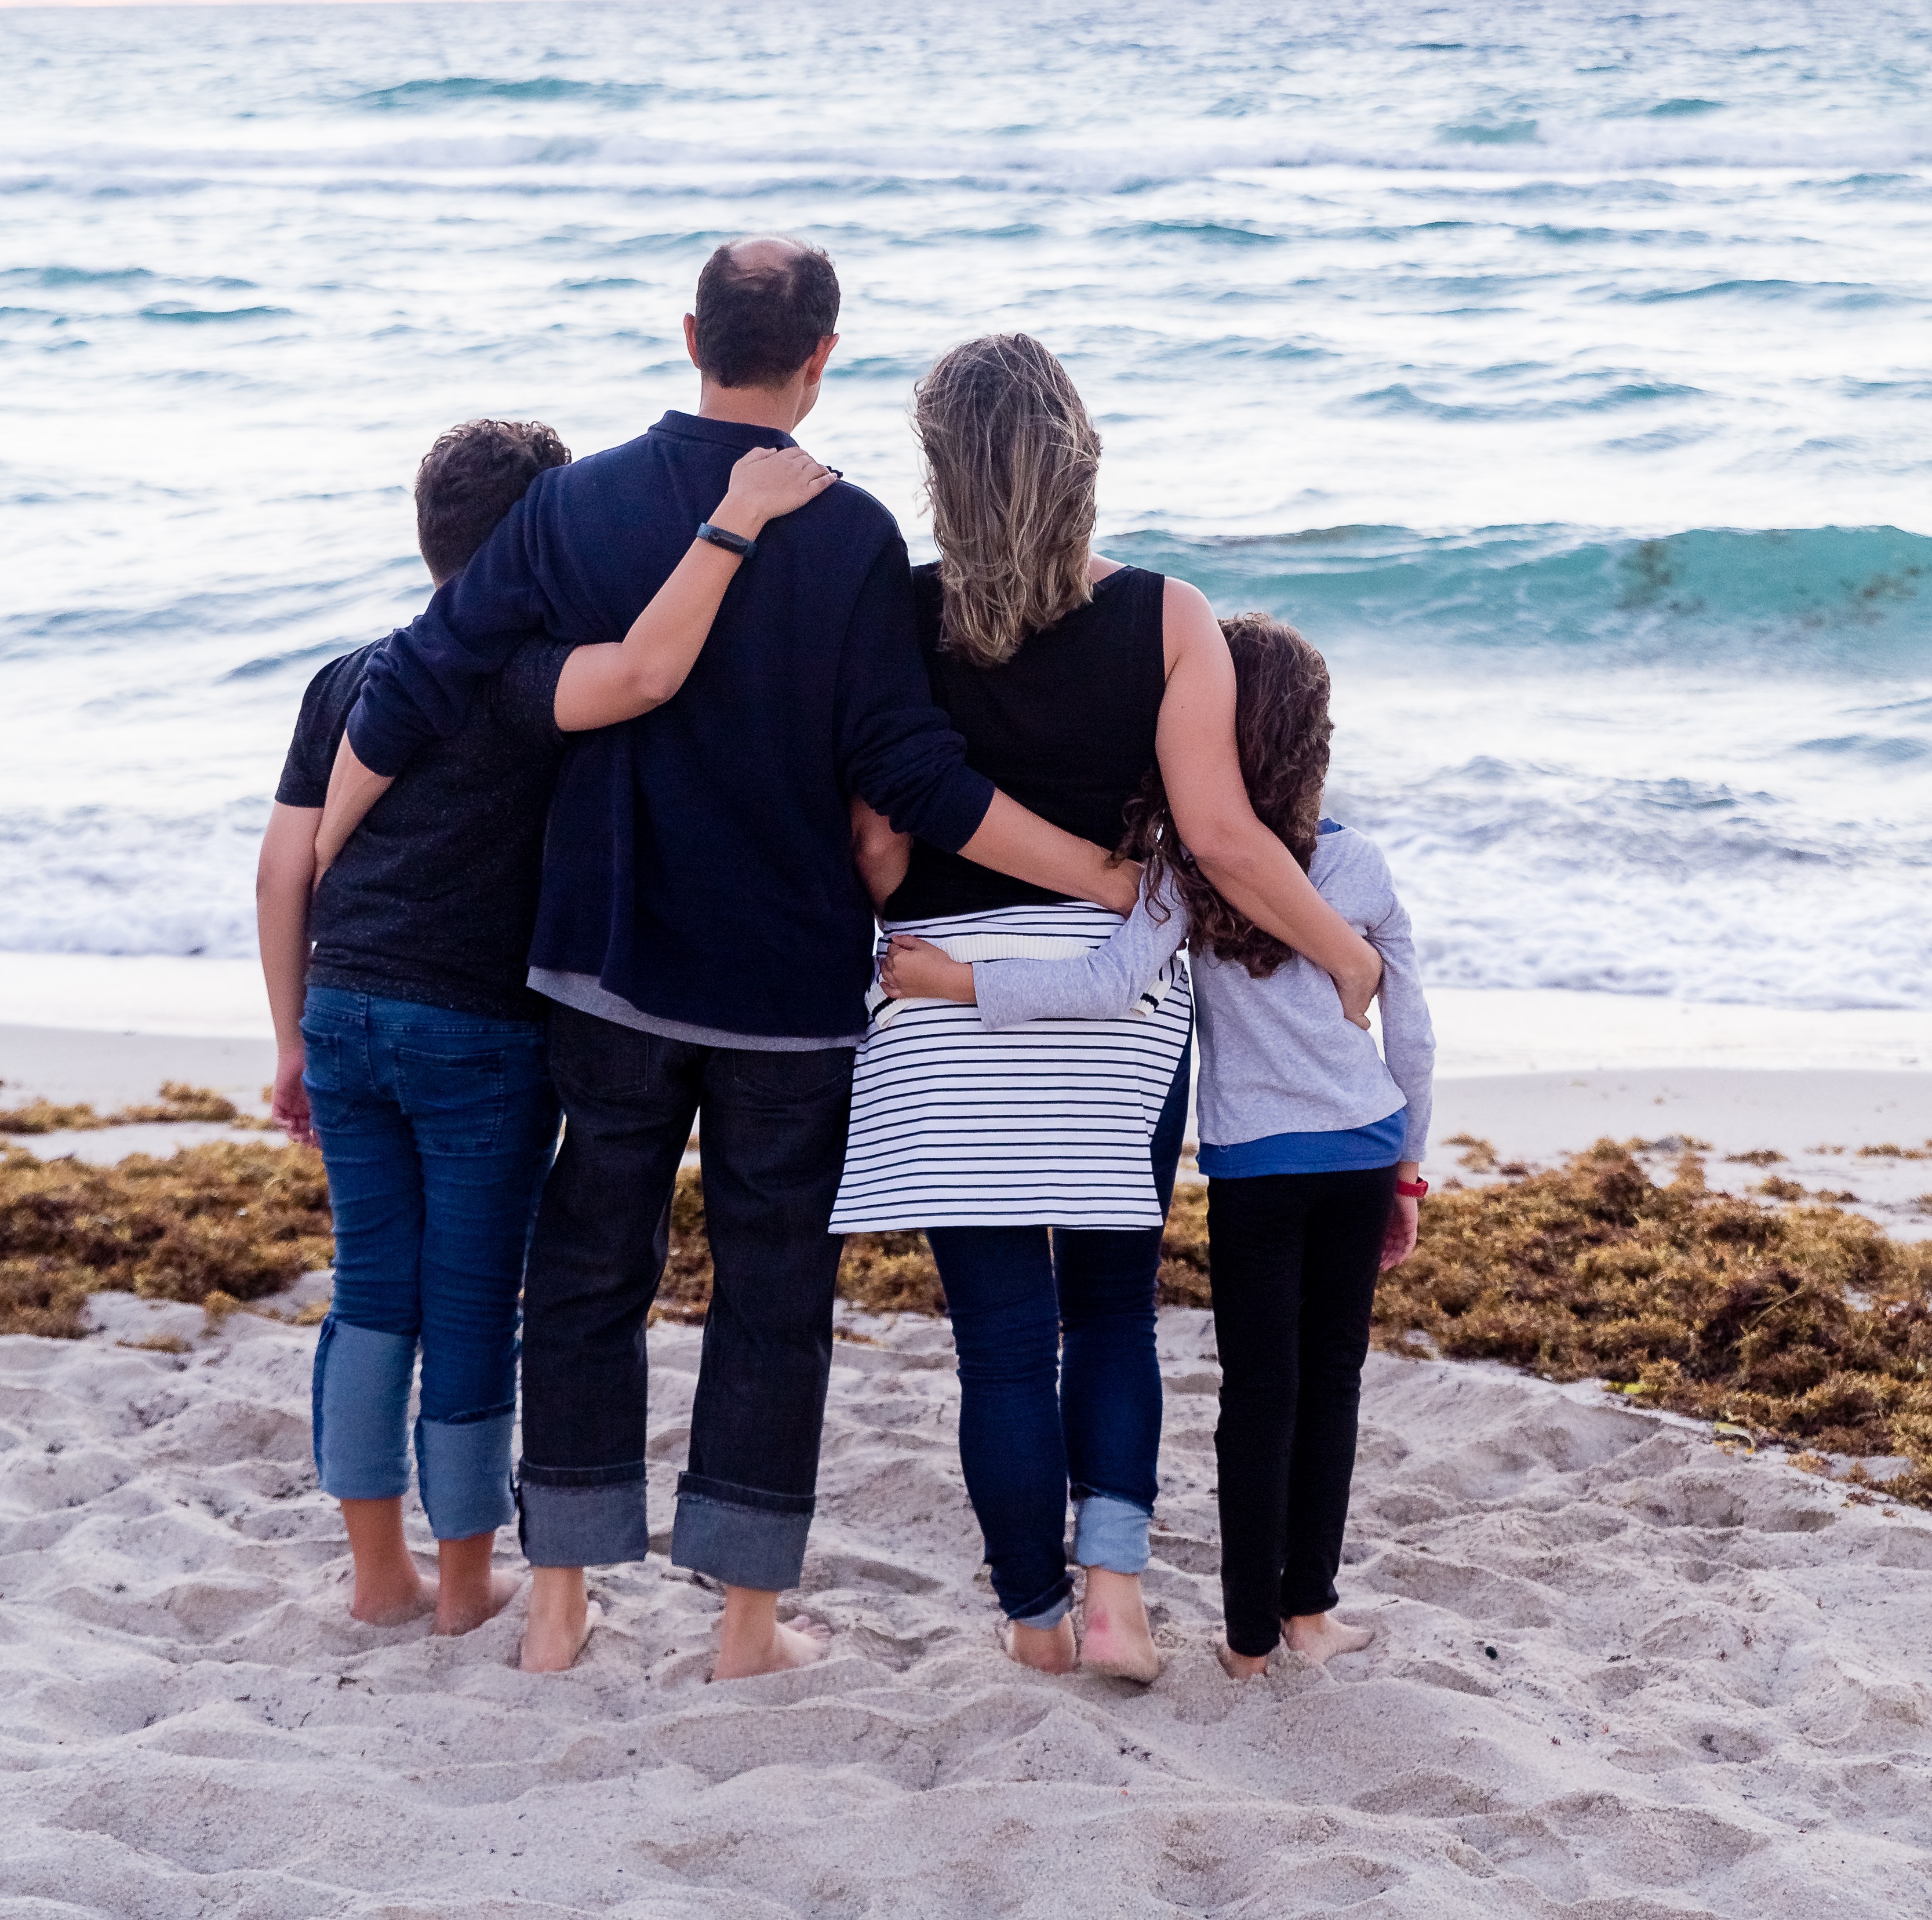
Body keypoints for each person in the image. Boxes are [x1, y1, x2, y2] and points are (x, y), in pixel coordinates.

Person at [315, 242, 1138, 1682]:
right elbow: (912, 772)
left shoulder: (575, 506)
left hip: (607, 966)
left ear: (689, 331)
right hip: (784, 989)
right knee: (770, 1294)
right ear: (823, 356)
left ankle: (560, 1601)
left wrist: (325, 855)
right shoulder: (854, 534)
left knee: (586, 1274)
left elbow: (423, 674)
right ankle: (746, 1628)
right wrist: (1105, 879)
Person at [828, 335, 1387, 1681]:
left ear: (940, 473)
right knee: (1112, 1314)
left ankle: (1033, 1622)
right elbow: (1221, 837)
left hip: (942, 1004)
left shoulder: (895, 616)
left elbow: (877, 857)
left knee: (1003, 1345)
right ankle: (1119, 1596)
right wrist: (1344, 960)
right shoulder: (1166, 615)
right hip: (1111, 1009)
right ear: (1079, 456)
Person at [260, 416, 834, 1635]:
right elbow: (641, 672)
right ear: (543, 538)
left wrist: (291, 1040)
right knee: (469, 1302)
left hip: (344, 1010)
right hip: (475, 1035)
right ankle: (465, 1583)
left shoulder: (349, 674)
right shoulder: (523, 678)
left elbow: (281, 870)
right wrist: (733, 526)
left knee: (371, 1291)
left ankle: (376, 1576)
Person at [892, 609, 1433, 1680]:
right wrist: (1410, 1165)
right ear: (1316, 742)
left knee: (1257, 1393)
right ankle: (1309, 1614)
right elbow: (1409, 1030)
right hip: (1364, 1151)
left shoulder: (1182, 868)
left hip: (1252, 1169)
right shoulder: (1357, 866)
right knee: (1332, 1384)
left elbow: (1102, 987)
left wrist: (954, 981)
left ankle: (1241, 1645)